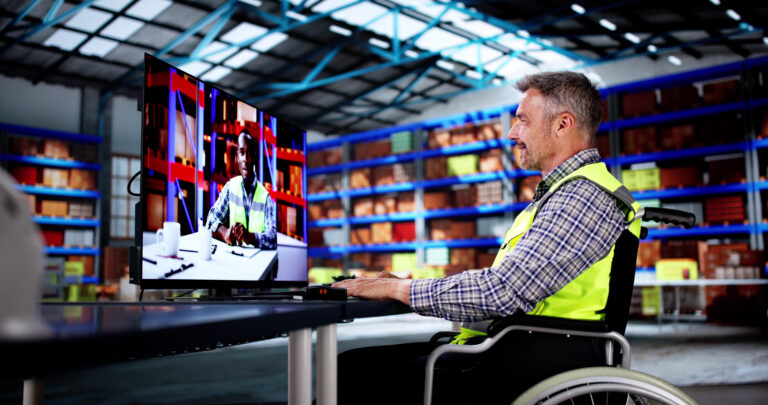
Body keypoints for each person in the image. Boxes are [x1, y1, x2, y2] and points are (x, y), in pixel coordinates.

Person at [333, 71, 641, 404]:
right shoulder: (565, 194)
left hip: (532, 362)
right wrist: (409, 288)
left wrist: (398, 289)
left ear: (562, 124)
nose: (512, 133)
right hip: (525, 350)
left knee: (356, 371)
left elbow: (504, 291)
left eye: (522, 120)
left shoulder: (581, 196)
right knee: (358, 363)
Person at [206, 129, 277, 250]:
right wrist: (225, 232)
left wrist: (251, 237)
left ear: (254, 158)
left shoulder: (265, 197)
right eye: (241, 153)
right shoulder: (230, 188)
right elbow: (210, 220)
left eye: (249, 153)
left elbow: (273, 238)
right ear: (237, 158)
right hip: (234, 263)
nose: (245, 159)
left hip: (257, 265)